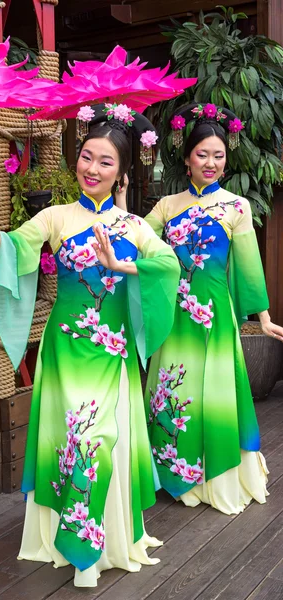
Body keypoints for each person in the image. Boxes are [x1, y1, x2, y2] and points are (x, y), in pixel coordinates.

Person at [0, 108, 180, 587]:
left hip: (110, 353)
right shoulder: (56, 217)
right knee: (73, 438)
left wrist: (122, 269)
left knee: (98, 440)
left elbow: (169, 266)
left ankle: (101, 543)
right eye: (85, 157)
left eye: (104, 162)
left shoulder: (134, 226)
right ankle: (77, 543)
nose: (91, 168)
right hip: (65, 349)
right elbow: (10, 248)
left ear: (121, 172)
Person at [116, 102, 283, 515]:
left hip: (214, 316)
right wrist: (119, 203)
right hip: (174, 316)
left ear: (226, 161)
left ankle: (220, 476)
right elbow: (135, 240)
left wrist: (262, 318)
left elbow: (247, 265)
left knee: (216, 394)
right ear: (187, 157)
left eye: (218, 155)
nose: (210, 162)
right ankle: (174, 474)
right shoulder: (167, 206)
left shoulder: (236, 207)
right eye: (202, 154)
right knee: (172, 391)